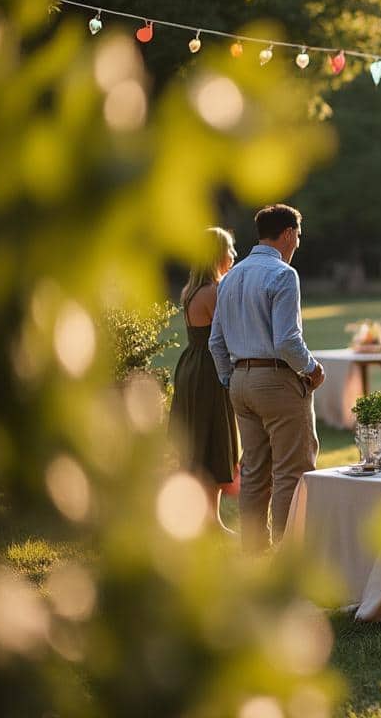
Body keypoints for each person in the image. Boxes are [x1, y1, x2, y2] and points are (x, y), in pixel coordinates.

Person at [209, 205, 324, 552]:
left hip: (240, 382)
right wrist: (311, 368)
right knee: (292, 470)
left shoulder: (230, 276)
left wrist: (231, 380)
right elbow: (287, 340)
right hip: (276, 380)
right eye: (298, 237)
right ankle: (289, 557)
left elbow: (216, 342)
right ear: (288, 233)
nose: (298, 244)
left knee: (256, 473)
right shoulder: (283, 274)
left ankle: (254, 554)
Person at [169, 227, 239, 533]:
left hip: (191, 367)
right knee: (214, 439)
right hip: (210, 369)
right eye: (230, 249)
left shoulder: (191, 291)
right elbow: (231, 335)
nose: (234, 256)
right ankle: (210, 521)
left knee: (201, 440)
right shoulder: (214, 291)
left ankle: (210, 519)